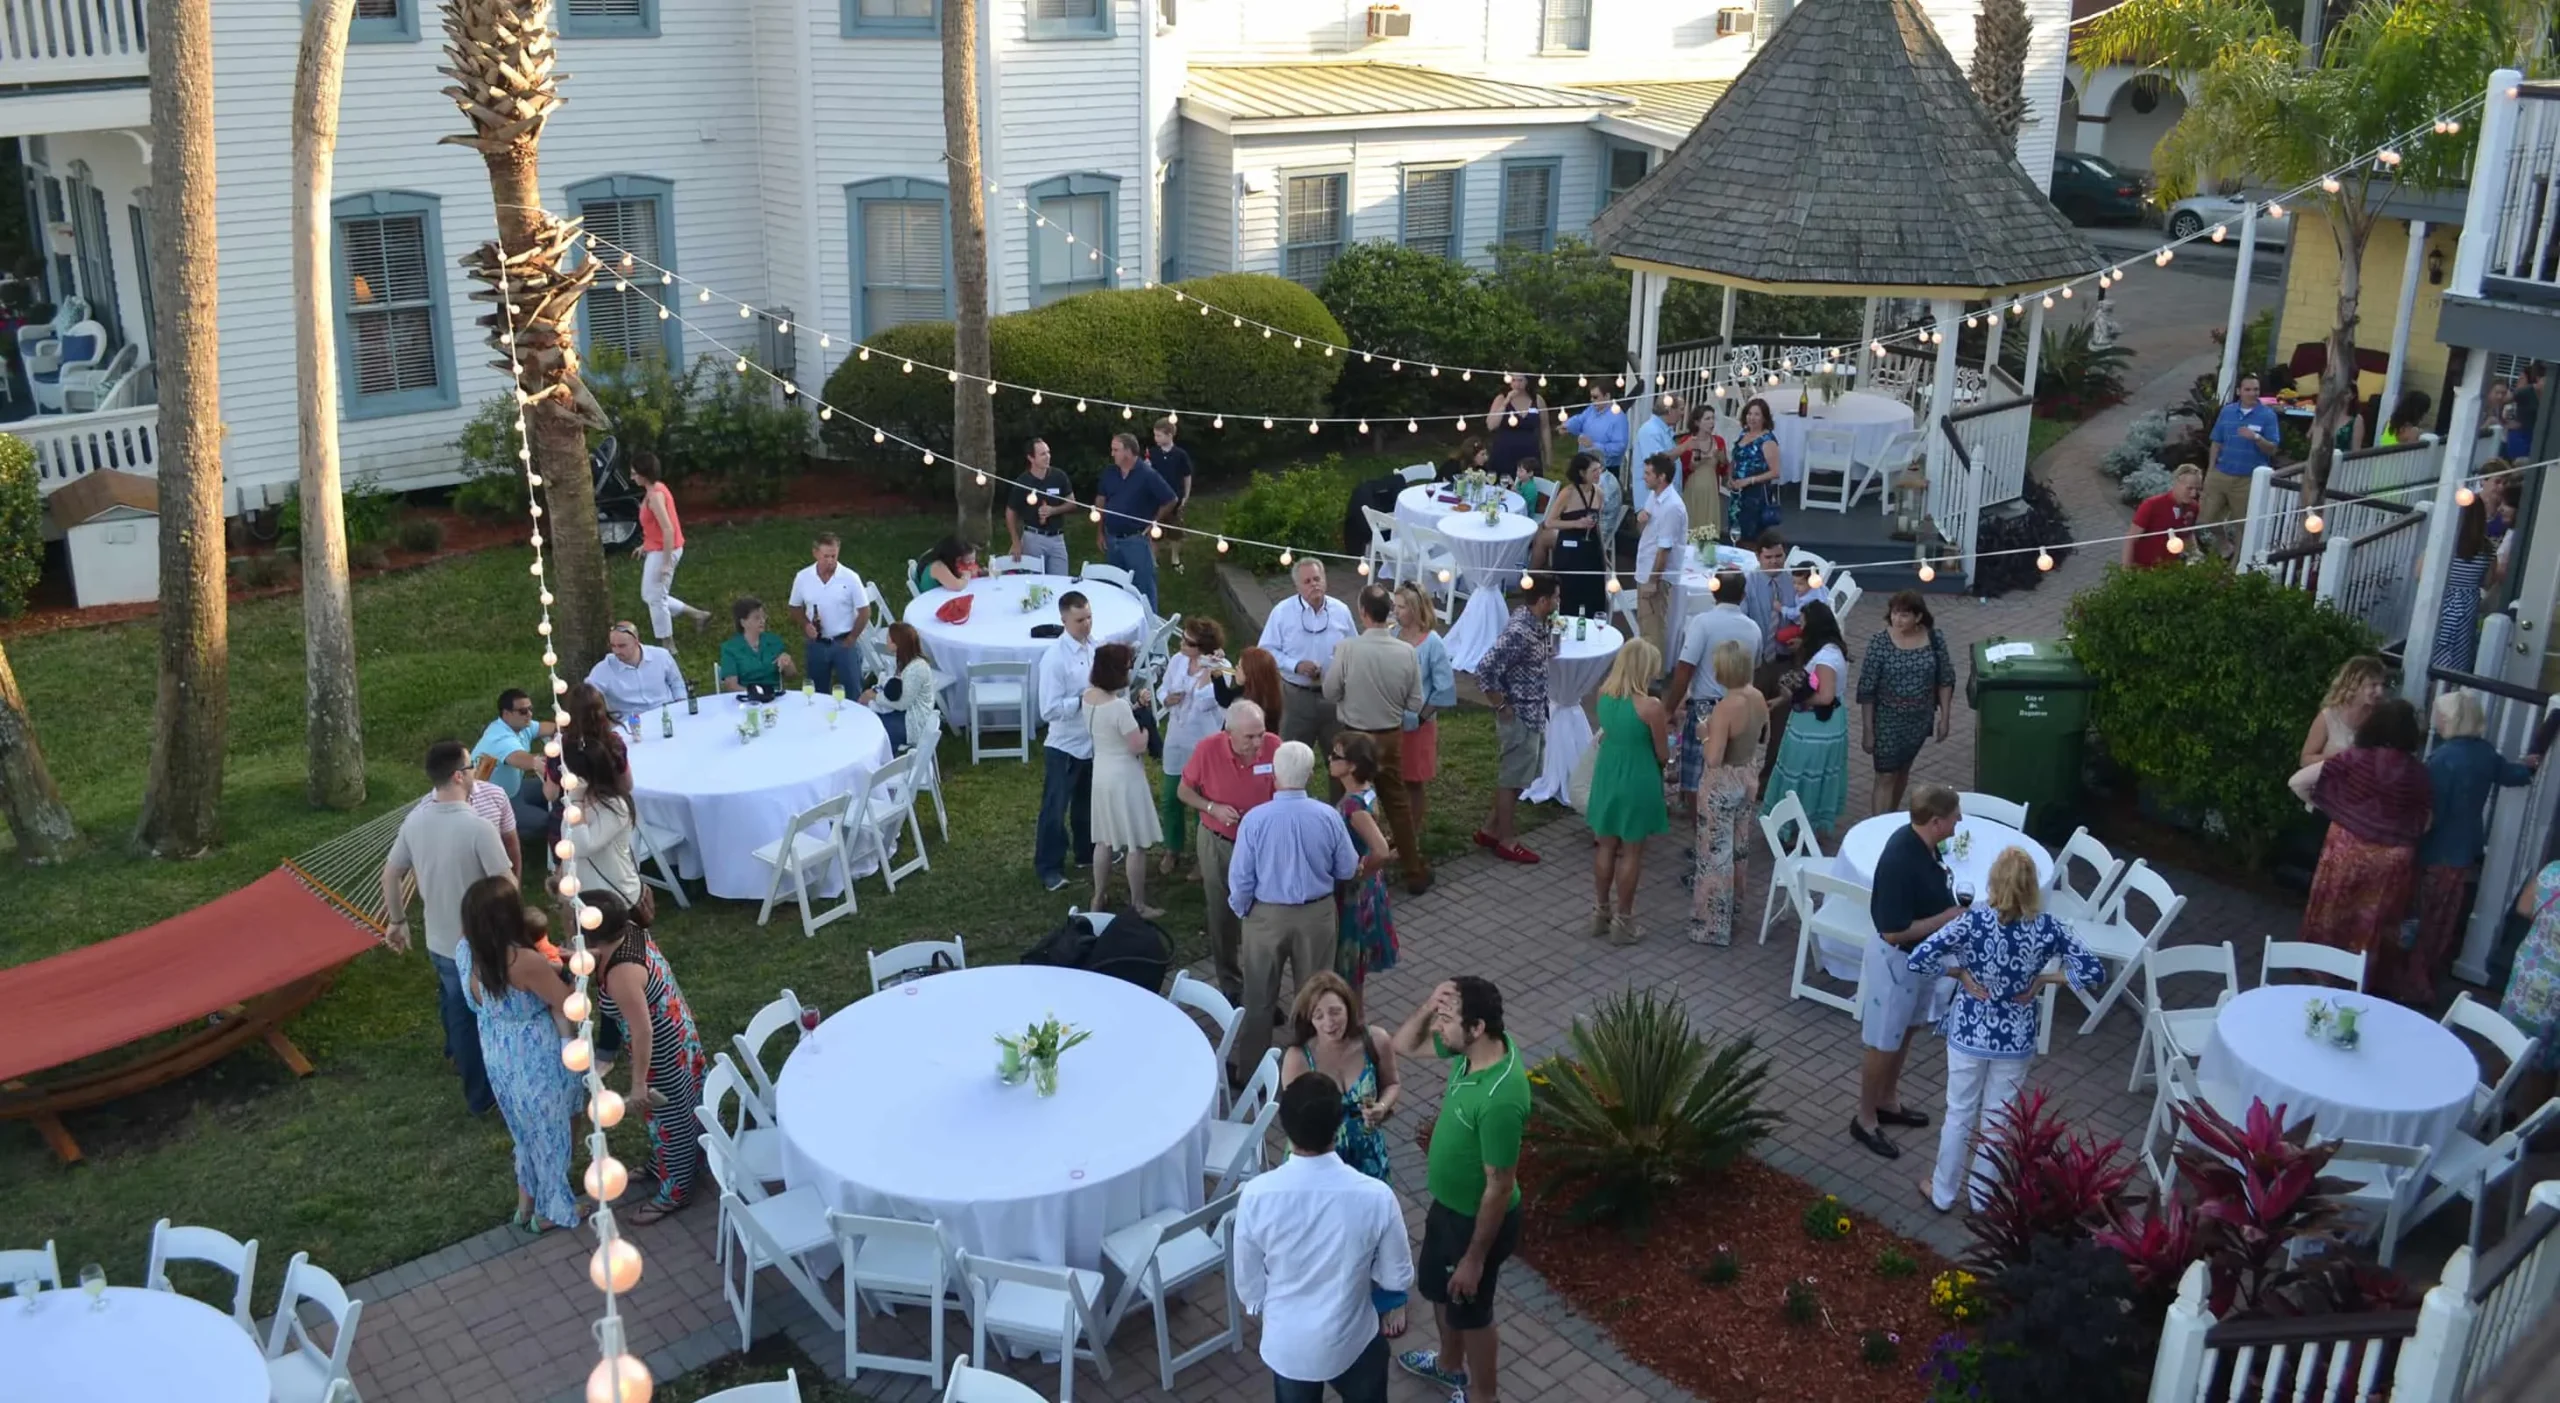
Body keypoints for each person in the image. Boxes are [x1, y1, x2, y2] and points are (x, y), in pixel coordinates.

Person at [1904, 847, 2106, 1214]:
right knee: (1998, 1119)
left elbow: (1919, 958)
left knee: (1959, 1112)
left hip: (1969, 1031)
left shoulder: (1973, 921)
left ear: (1994, 881)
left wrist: (1960, 973)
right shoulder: (2048, 927)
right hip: (2015, 1037)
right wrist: (2045, 979)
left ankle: (1944, 1192)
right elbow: (2093, 970)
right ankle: (1983, 1200)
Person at [1233, 1070, 1415, 1403]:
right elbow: (1396, 1277)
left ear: (1285, 1127)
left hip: (1288, 1345)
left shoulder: (1256, 1195)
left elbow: (1249, 1285)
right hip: (1352, 1338)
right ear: (1337, 1126)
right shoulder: (1375, 1196)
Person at [1392, 977, 1529, 1403]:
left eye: (1448, 1021)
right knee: (1437, 1290)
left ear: (1477, 1028)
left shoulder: (1500, 1098)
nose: (1439, 1028)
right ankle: (1450, 1368)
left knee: (1472, 1312)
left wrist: (1474, 1258)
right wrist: (1430, 1004)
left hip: (1475, 1223)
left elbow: (1500, 1187)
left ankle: (1483, 1397)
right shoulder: (1469, 1052)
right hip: (1446, 1209)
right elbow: (1403, 1045)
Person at [380, 741, 516, 1116]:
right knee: (487, 1017)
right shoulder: (478, 828)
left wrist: (397, 921)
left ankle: (476, 1092)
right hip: (479, 942)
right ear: (459, 775)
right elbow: (507, 885)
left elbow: (391, 874)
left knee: (457, 1012)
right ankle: (492, 1091)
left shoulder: (415, 821)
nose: (474, 773)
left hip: (439, 942)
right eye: (471, 767)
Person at [2385, 691, 2537, 1005]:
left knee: (2421, 917)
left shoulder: (2442, 760)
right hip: (2463, 851)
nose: (2435, 719)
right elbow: (2512, 775)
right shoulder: (2483, 752)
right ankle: (2424, 980)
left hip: (2435, 851)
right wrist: (2529, 766)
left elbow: (2431, 814)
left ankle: (2410, 984)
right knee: (2443, 920)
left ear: (2451, 719)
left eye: (2440, 714)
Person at [456, 876, 584, 1232]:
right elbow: (568, 1005)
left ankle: (525, 1204)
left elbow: (474, 1002)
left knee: (524, 1130)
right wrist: (578, 972)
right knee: (556, 1128)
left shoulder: (466, 950)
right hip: (538, 1054)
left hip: (499, 1052)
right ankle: (551, 1209)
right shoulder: (523, 960)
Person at [1229, 741, 1360, 1079]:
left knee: (1259, 998)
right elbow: (1346, 868)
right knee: (1316, 997)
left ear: (1274, 775)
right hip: (1316, 916)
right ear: (1311, 775)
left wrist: (1245, 911)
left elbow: (1241, 877)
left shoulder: (1255, 820)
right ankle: (1312, 1071)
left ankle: (1251, 1074)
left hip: (1265, 916)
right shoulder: (1328, 816)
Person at [578, 890, 706, 1224]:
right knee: (674, 1112)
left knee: (671, 1117)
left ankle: (677, 1190)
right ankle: (666, 1162)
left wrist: (637, 1084)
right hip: (678, 1032)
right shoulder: (630, 931)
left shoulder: (621, 974)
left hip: (664, 1050)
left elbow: (643, 1030)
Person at [1853, 784, 1965, 1160]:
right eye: (1954, 817)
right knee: (1883, 1042)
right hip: (1896, 963)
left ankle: (1888, 1101)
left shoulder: (1925, 846)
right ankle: (1865, 1118)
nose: (1959, 822)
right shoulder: (1901, 859)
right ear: (1936, 822)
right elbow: (1893, 931)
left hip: (1920, 961)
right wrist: (1946, 919)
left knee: (1906, 1031)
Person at [2303, 698, 2433, 968]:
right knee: (2373, 918)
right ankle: (2359, 975)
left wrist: (2332, 808)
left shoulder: (2355, 757)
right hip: (2392, 856)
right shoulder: (2419, 773)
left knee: (2333, 907)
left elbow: (2307, 780)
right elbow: (2425, 819)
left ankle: (2320, 968)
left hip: (2347, 846)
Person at [1325, 585, 1430, 895]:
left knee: (1347, 801)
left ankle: (1346, 866)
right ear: (1390, 613)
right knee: (1397, 803)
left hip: (1353, 737)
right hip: (1389, 736)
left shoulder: (1347, 648)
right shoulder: (1406, 652)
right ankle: (1413, 870)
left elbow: (1330, 692)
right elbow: (1415, 702)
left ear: (1363, 613)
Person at [1182, 701, 1282, 1004]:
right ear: (1229, 733)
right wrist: (1212, 807)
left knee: (1264, 915)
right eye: (1249, 737)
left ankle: (1263, 992)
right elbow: (1184, 792)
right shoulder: (1207, 750)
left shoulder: (1275, 746)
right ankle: (1232, 985)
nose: (1257, 743)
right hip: (1219, 842)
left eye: (1260, 735)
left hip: (1262, 846)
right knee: (1223, 914)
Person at [1585, 637, 1671, 946]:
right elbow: (1662, 754)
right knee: (1632, 851)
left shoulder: (1604, 696)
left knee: (1605, 845)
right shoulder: (1651, 706)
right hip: (1638, 778)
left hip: (1608, 773)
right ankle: (1624, 919)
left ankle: (1600, 912)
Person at [1472, 574, 1559, 866]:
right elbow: (1484, 668)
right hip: (1520, 714)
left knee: (1522, 776)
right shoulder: (1519, 631)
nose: (1559, 603)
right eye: (1556, 598)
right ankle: (1507, 841)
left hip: (1535, 713)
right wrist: (1501, 705)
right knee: (1512, 780)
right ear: (1544, 601)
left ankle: (1489, 829)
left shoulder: (1534, 622)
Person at [1281, 972, 1402, 1181]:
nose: (1329, 1023)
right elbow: (1295, 1120)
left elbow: (1392, 1084)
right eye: (1318, 1016)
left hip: (1367, 1154)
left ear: (1349, 1008)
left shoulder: (1376, 1041)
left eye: (1335, 1012)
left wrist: (1381, 1108)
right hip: (1317, 1159)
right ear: (1309, 1019)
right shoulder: (1298, 1058)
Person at [1687, 641, 1770, 947]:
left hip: (1722, 784)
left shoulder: (1725, 708)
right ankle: (1734, 912)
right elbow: (1763, 735)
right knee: (1738, 847)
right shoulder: (1758, 697)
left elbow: (1713, 758)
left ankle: (1712, 925)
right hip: (1747, 775)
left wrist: (1705, 732)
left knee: (1714, 855)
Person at [1663, 566, 1760, 817]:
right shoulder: (1753, 629)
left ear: (1713, 593)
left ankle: (1703, 836)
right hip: (1740, 706)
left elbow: (1684, 669)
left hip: (1706, 710)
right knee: (1733, 766)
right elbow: (1754, 669)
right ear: (1743, 595)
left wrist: (1668, 709)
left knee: (1699, 776)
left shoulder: (1702, 623)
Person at [1856, 590, 1956, 817]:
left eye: (1904, 615)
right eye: (1894, 614)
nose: (1897, 619)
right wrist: (1868, 731)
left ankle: (1890, 815)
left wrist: (1945, 718)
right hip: (1888, 719)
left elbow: (1945, 679)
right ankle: (1878, 826)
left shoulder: (1934, 639)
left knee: (1902, 770)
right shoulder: (1879, 643)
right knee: (1885, 774)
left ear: (1918, 617)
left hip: (1919, 719)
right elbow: (1867, 689)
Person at [1082, 641, 1164, 916]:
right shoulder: (1117, 707)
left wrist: (1133, 708)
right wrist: (1144, 721)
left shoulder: (1088, 696)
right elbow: (1138, 745)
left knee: (1103, 839)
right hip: (1125, 776)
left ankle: (1098, 896)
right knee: (1135, 842)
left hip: (1102, 770)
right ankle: (1138, 904)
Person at [1761, 601, 1851, 840]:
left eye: (1803, 623)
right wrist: (1780, 701)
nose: (1799, 627)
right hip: (1818, 724)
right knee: (1807, 774)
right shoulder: (1828, 648)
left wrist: (1791, 696)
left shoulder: (1825, 659)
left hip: (1817, 728)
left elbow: (1825, 696)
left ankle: (1798, 831)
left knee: (1803, 775)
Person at [1034, 591, 1099, 893]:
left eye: (1088, 617)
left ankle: (1086, 853)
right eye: (1079, 620)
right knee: (1055, 809)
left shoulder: (1094, 648)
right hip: (1064, 745)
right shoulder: (1055, 659)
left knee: (1086, 803)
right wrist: (1079, 701)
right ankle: (1049, 867)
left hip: (1092, 741)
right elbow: (1048, 710)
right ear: (1063, 620)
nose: (1086, 625)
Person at [1261, 557, 1356, 762]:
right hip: (1296, 698)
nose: (1314, 584)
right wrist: (1295, 665)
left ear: (1324, 580)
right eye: (1307, 581)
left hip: (1333, 699)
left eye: (1317, 578)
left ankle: (1339, 796)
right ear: (1297, 586)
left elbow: (1353, 648)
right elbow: (1266, 650)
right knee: (1291, 762)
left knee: (1340, 761)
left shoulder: (1340, 610)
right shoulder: (1282, 612)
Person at [1155, 617, 1230, 876]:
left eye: (1188, 642)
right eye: (1183, 638)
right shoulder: (1177, 661)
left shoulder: (1223, 669)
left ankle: (1203, 855)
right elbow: (1162, 687)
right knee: (1170, 797)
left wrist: (1210, 670)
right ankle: (1172, 848)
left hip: (1204, 743)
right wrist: (1166, 698)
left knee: (1203, 801)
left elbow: (1203, 701)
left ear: (1203, 648)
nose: (1182, 644)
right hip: (1177, 738)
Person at [1328, 734, 1401, 992]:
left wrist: (1361, 872)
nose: (1329, 759)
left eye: (1336, 756)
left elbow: (1380, 850)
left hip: (1354, 893)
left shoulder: (1352, 806)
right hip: (1370, 887)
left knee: (1349, 967)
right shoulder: (1366, 791)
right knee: (1354, 968)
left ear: (1353, 766)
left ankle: (1354, 1020)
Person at [2497, 858, 2560, 1121]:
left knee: (2509, 1040)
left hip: (2530, 968)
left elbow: (2524, 907)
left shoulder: (2553, 870)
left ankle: (2495, 1107)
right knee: (2546, 1064)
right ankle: (2532, 1125)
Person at [1395, 584, 1457, 842]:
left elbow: (1444, 687)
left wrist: (1420, 718)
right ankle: (1398, 831)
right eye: (1394, 606)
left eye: (1401, 606)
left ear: (1415, 609)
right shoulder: (1393, 635)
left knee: (1413, 781)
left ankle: (1411, 834)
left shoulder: (1433, 643)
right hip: (1392, 722)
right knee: (1395, 781)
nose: (1395, 611)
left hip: (1418, 726)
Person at [631, 452, 711, 647]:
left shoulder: (655, 497)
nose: (632, 477)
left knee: (655, 598)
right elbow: (656, 527)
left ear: (644, 474)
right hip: (658, 548)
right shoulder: (656, 488)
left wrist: (666, 564)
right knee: (652, 595)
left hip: (664, 551)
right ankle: (698, 615)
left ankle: (668, 644)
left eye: (634, 473)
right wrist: (646, 545)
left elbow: (668, 529)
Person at [1742, 532, 1803, 789]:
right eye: (1769, 557)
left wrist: (1801, 638)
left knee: (1780, 726)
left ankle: (1767, 782)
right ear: (1759, 557)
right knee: (1749, 724)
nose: (1775, 561)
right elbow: (1743, 621)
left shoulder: (1794, 583)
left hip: (1785, 661)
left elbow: (1807, 616)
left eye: (1779, 556)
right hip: (1757, 663)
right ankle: (1744, 778)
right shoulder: (1749, 582)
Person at [1094, 431, 1177, 610]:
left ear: (1128, 451)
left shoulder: (1147, 474)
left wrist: (1153, 523)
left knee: (1144, 587)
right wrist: (1100, 532)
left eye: (1116, 449)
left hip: (1136, 539)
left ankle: (1149, 625)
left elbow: (1170, 499)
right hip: (1112, 539)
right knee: (1116, 585)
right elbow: (1101, 501)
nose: (1112, 453)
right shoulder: (1110, 473)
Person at [2293, 655, 2390, 805]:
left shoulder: (2381, 719)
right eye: (2373, 685)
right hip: (2325, 803)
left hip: (2360, 807)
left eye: (2382, 685)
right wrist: (2335, 757)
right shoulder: (2329, 716)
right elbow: (2305, 760)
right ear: (2354, 685)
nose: (2380, 692)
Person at [563, 735, 645, 910]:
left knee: (623, 938)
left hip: (614, 898)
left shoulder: (615, 805)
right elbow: (568, 841)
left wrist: (576, 800)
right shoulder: (575, 799)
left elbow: (584, 846)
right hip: (584, 894)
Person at [2202, 373, 2282, 551]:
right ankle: (2224, 545)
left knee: (2243, 526)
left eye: (2256, 390)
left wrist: (2256, 438)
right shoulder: (2227, 411)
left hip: (2247, 479)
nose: (2252, 393)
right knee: (2205, 518)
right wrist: (2211, 469)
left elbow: (2273, 449)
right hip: (2221, 473)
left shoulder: (2267, 416)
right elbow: (2216, 441)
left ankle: (2236, 566)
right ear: (2239, 391)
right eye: (2248, 389)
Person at [788, 532, 871, 697]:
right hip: (817, 643)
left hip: (844, 642)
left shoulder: (850, 578)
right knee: (816, 694)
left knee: (852, 691)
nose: (830, 561)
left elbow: (865, 611)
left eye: (834, 556)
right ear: (815, 553)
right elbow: (794, 606)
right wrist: (806, 625)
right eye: (826, 556)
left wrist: (852, 638)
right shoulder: (803, 577)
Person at [2429, 492, 2503, 674]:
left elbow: (2420, 573)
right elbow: (2487, 582)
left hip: (2442, 599)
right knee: (2458, 657)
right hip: (2467, 604)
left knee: (2432, 650)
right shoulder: (2487, 549)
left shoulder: (2444, 543)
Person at [474, 688, 556, 841]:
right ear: (506, 714)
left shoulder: (522, 726)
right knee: (548, 821)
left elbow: (548, 727)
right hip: (496, 803)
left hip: (515, 789)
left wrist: (567, 728)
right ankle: (508, 834)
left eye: (530, 709)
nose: (529, 715)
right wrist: (544, 761)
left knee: (558, 793)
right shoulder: (499, 739)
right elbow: (527, 761)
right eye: (523, 711)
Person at [1633, 453, 1689, 665]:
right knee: (1646, 625)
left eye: (1648, 473)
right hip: (1644, 567)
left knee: (1653, 629)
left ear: (1662, 477)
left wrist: (1652, 582)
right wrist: (1640, 519)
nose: (1644, 477)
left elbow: (1664, 550)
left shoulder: (1672, 507)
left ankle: (1653, 678)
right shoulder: (1654, 496)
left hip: (1656, 576)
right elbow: (1644, 529)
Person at [1540, 452, 1607, 619]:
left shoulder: (1598, 493)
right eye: (1594, 471)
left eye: (1600, 469)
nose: (1599, 474)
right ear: (1582, 473)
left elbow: (1598, 524)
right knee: (1569, 592)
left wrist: (1603, 553)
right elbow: (1549, 522)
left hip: (1591, 547)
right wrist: (1576, 524)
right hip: (1570, 550)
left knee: (1594, 593)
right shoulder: (1567, 493)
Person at [862, 620, 941, 753]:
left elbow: (902, 704)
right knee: (867, 719)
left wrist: (873, 697)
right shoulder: (903, 661)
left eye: (889, 638)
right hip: (903, 714)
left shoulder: (916, 669)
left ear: (897, 644)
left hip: (911, 723)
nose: (886, 640)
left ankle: (886, 761)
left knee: (872, 729)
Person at [1007, 437, 1077, 577]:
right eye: (1043, 454)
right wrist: (1015, 541)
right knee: (1035, 581)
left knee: (1060, 580)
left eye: (1048, 452)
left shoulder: (1059, 476)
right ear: (1031, 458)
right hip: (1033, 538)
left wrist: (1053, 510)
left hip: (1057, 538)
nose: (1048, 457)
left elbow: (1072, 503)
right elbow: (1010, 511)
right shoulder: (1023, 482)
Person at [585, 622, 685, 716]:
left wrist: (681, 704)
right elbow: (585, 695)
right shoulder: (604, 669)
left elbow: (676, 682)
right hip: (630, 722)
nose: (616, 651)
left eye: (622, 646)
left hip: (667, 713)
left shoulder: (661, 656)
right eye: (613, 646)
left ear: (636, 641)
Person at [2124, 465, 2203, 569]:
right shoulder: (2152, 505)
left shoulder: (2193, 507)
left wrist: (2195, 555)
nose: (2194, 494)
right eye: (2189, 488)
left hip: (2172, 569)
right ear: (2176, 483)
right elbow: (2131, 539)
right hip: (2145, 569)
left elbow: (2188, 534)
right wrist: (2126, 571)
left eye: (2197, 489)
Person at [716, 595, 798, 692]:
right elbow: (731, 686)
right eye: (757, 618)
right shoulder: (730, 648)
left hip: (773, 698)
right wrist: (756, 695)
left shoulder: (774, 641)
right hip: (746, 699)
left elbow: (792, 675)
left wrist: (788, 663)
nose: (762, 621)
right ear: (743, 622)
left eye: (763, 617)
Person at [1147, 417, 1197, 573]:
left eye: (1159, 435)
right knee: (1155, 528)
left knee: (1175, 530)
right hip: (1156, 499)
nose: (1156, 439)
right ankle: (1153, 558)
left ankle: (1175, 558)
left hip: (1175, 498)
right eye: (1155, 435)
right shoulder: (1153, 454)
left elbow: (1186, 475)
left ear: (1169, 435)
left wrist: (1186, 495)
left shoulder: (1180, 454)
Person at [1728, 399, 1783, 542]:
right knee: (1735, 532)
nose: (1752, 418)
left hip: (1755, 496)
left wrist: (1749, 481)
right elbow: (1735, 458)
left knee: (1750, 537)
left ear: (1764, 418)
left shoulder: (1767, 440)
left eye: (1757, 414)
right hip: (1738, 495)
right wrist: (1730, 477)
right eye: (1749, 414)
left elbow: (1775, 472)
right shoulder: (1743, 433)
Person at [1484, 374, 1548, 487]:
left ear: (1527, 381)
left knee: (1529, 489)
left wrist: (1548, 455)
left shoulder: (1537, 400)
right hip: (1504, 453)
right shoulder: (1501, 398)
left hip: (1529, 453)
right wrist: (1506, 402)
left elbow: (1545, 428)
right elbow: (1491, 425)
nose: (1517, 384)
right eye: (1513, 380)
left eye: (1520, 380)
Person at [1676, 402, 1726, 545]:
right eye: (1707, 419)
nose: (1711, 422)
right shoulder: (1687, 442)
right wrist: (1693, 465)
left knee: (1708, 532)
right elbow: (1682, 471)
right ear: (1697, 422)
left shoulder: (1718, 441)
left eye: (1712, 418)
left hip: (1711, 491)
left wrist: (1721, 459)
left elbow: (1724, 467)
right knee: (1692, 530)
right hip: (1693, 490)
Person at [1560, 382, 1629, 477]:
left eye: (1595, 397)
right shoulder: (1591, 409)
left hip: (1605, 470)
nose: (1592, 400)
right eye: (1591, 397)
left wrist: (1593, 446)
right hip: (1585, 465)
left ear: (1607, 396)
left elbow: (1619, 447)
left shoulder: (1618, 417)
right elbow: (1580, 420)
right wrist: (1568, 425)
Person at [1237, 644, 1289, 737]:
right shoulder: (1272, 697)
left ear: (1251, 674)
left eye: (1240, 667)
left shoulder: (1248, 709)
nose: (1236, 669)